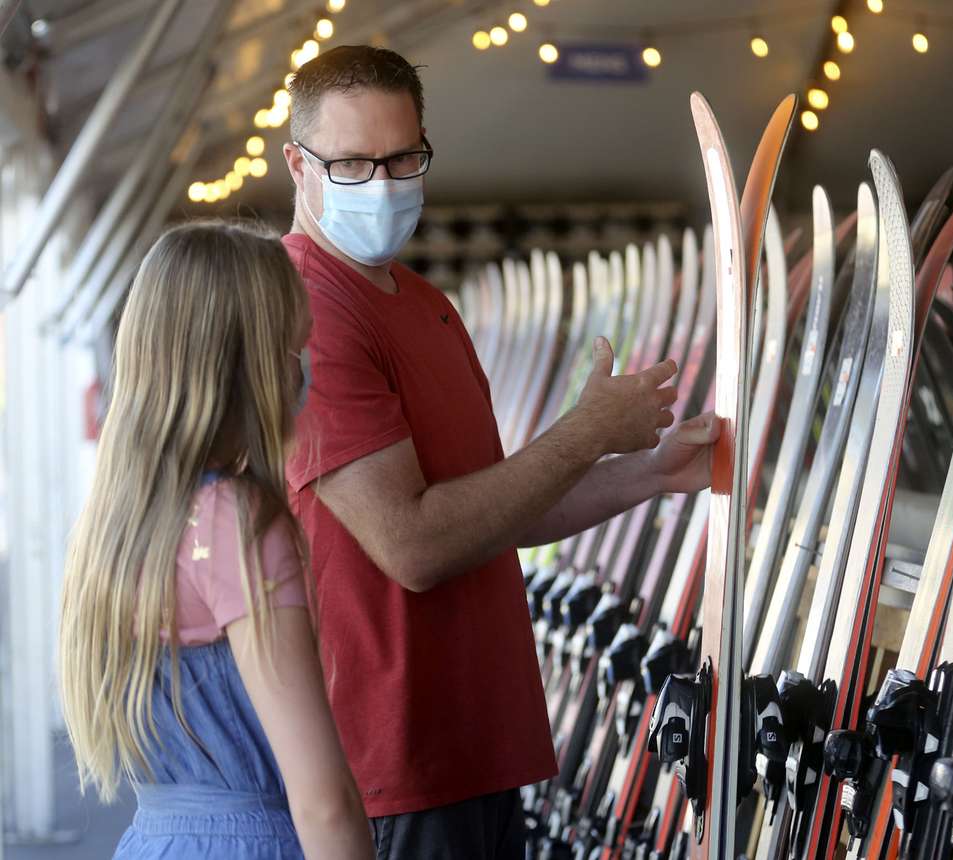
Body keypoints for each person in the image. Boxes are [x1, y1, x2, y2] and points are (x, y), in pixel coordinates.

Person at [280, 45, 719, 858]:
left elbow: (496, 508)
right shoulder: (306, 312)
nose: (382, 184)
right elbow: (414, 544)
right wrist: (584, 432)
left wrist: (648, 474)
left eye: (403, 157)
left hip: (475, 749)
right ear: (297, 167)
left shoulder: (424, 305)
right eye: (351, 164)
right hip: (390, 766)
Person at [58, 221, 374, 859]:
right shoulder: (235, 522)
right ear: (247, 362)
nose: (303, 369)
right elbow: (322, 800)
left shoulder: (122, 522)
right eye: (292, 345)